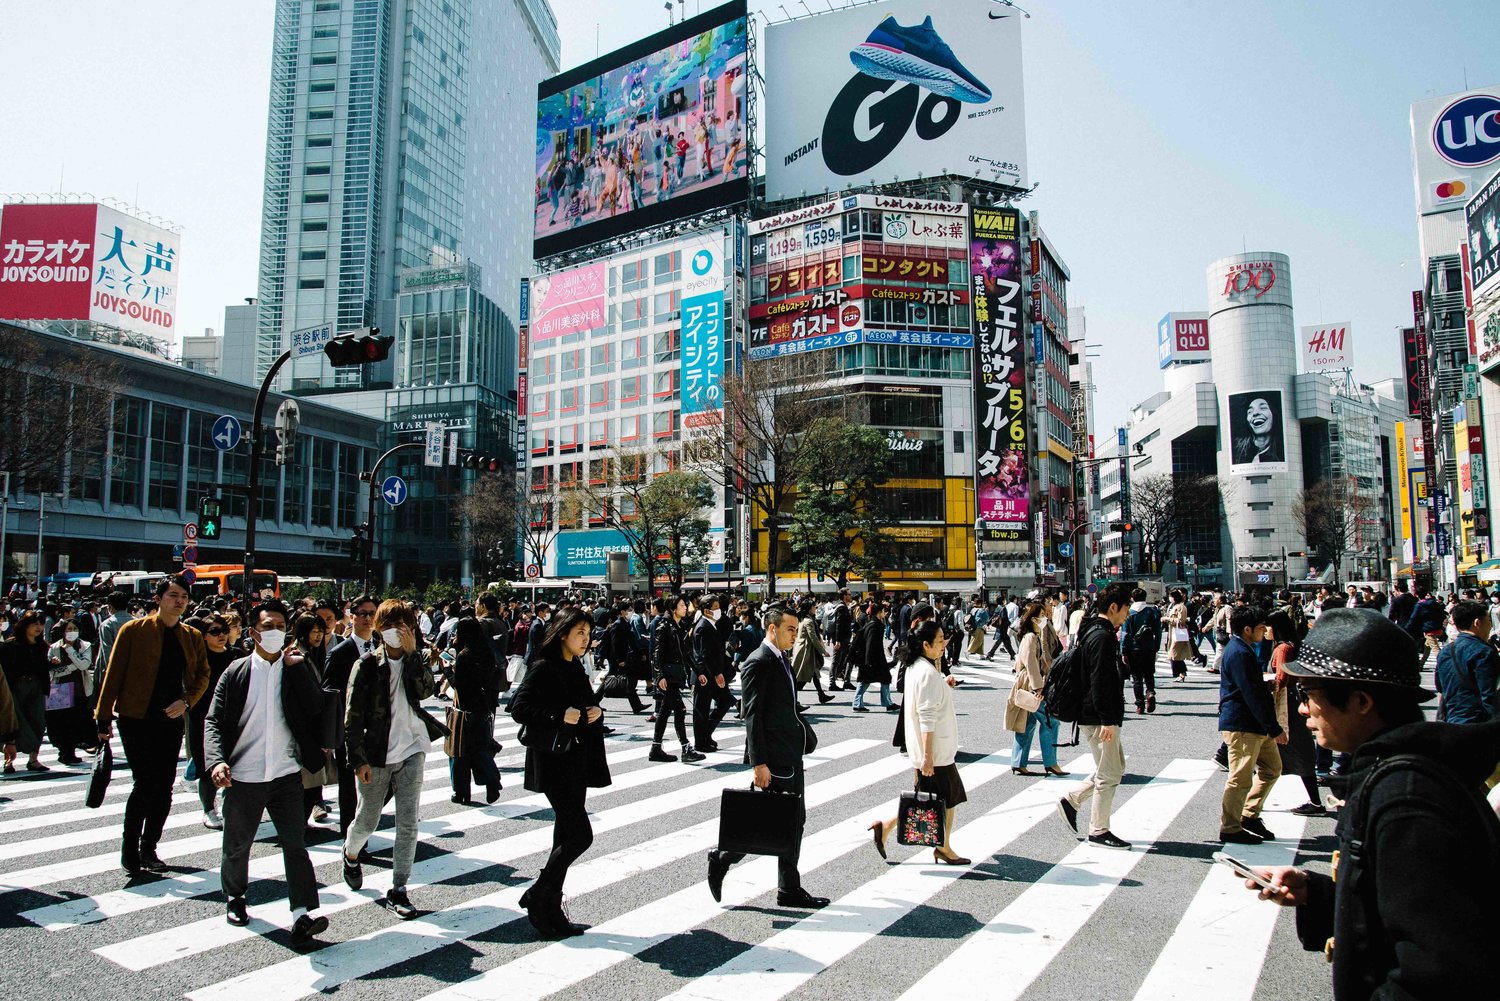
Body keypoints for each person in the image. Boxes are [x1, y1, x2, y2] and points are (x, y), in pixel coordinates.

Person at [1243, 607, 1500, 999]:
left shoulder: (1407, 801)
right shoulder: (1398, 776)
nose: (1301, 708)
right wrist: (1321, 894)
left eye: (1308, 693)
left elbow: (1437, 973)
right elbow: (1392, 911)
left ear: (1361, 701)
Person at [205, 599, 331, 944]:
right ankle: (235, 896)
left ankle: (302, 913)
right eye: (267, 626)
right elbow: (213, 720)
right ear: (252, 633)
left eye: (279, 626)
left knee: (295, 844)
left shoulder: (296, 668)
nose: (274, 632)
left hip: (286, 773)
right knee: (238, 843)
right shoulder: (236, 672)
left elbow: (316, 706)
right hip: (244, 775)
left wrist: (298, 669)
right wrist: (216, 760)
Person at [707, 605, 829, 909]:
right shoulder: (758, 662)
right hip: (773, 756)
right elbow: (752, 716)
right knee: (775, 820)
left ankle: (787, 888)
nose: (795, 635)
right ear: (772, 629)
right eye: (790, 629)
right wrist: (758, 763)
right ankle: (725, 858)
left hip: (789, 751)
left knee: (790, 819)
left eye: (796, 629)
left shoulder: (781, 658)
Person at [94, 576, 210, 874]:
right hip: (135, 717)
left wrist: (186, 701)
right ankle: (129, 846)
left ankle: (150, 846)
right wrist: (102, 716)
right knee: (144, 784)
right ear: (158, 599)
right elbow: (114, 673)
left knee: (164, 787)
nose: (180, 601)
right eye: (173, 595)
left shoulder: (191, 635)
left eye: (184, 596)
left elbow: (202, 675)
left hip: (170, 717)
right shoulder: (133, 630)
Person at [341, 600, 448, 921]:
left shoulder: (415, 660)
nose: (396, 632)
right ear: (377, 628)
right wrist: (357, 760)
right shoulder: (366, 665)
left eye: (403, 626)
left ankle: (399, 889)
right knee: (368, 819)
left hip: (413, 747)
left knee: (408, 821)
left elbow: (426, 690)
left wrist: (415, 655)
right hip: (376, 753)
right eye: (389, 626)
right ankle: (350, 853)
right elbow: (351, 717)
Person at [508, 606, 611, 937]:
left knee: (564, 836)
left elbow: (584, 705)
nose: (586, 639)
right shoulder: (544, 667)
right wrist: (557, 715)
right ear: (562, 633)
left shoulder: (575, 667)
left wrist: (594, 711)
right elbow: (519, 708)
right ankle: (539, 894)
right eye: (579, 633)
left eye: (588, 633)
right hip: (554, 762)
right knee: (581, 835)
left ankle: (551, 907)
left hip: (575, 760)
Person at [868, 619, 968, 863]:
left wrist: (944, 684)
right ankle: (943, 847)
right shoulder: (925, 672)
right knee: (946, 798)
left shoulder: (918, 667)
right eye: (940, 640)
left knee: (928, 799)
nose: (945, 643)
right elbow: (926, 716)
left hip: (932, 750)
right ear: (925, 644)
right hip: (934, 752)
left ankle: (887, 826)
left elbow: (927, 701)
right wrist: (927, 757)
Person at [1057, 583, 1133, 850]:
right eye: (1126, 609)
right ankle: (1099, 830)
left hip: (1091, 712)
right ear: (1113, 607)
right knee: (1109, 774)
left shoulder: (1091, 630)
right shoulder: (1101, 636)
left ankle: (1073, 799)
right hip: (1098, 715)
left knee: (1114, 767)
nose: (1127, 615)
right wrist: (1107, 719)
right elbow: (1100, 680)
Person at [1217, 604, 1284, 845]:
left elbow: (1251, 688)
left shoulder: (1242, 649)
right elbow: (1250, 693)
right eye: (1261, 627)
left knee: (1272, 768)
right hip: (1242, 722)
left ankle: (1249, 814)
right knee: (1240, 778)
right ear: (1247, 629)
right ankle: (1230, 827)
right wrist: (1275, 728)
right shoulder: (1239, 652)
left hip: (1254, 722)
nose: (1265, 631)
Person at [322, 594, 379, 839]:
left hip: (377, 727)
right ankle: (351, 836)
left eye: (372, 614)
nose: (368, 618)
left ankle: (363, 829)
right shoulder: (340, 652)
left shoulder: (381, 647)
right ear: (351, 616)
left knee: (376, 782)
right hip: (350, 727)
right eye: (363, 613)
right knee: (349, 785)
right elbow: (329, 693)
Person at [1265, 610, 1324, 817]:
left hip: (1286, 705)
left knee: (1285, 750)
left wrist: (1263, 680)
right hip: (1292, 702)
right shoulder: (1291, 644)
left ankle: (1316, 803)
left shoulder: (1282, 648)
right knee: (1293, 752)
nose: (1264, 631)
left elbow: (1281, 679)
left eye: (1267, 627)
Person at [187, 614, 240, 829]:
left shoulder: (236, 656)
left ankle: (231, 807)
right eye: (215, 632)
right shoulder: (198, 659)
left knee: (234, 763)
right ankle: (208, 808)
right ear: (204, 636)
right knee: (207, 765)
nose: (221, 635)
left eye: (224, 631)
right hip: (202, 717)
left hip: (233, 717)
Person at [447, 616, 504, 806]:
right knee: (479, 747)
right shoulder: (486, 651)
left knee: (458, 752)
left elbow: (459, 686)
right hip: (484, 706)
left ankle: (461, 792)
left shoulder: (464, 656)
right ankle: (491, 779)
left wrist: (447, 670)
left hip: (464, 709)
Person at [1007, 601, 1063, 776]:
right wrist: (1037, 687)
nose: (1045, 618)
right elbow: (1030, 662)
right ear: (1033, 619)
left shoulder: (1031, 636)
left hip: (1026, 683)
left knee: (1027, 722)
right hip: (1031, 684)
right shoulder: (1031, 637)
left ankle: (1018, 762)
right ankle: (1051, 762)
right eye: (1042, 615)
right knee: (1051, 720)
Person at [648, 594, 704, 763]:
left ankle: (656, 748)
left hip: (675, 675)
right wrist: (659, 676)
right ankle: (686, 748)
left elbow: (686, 653)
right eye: (681, 605)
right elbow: (656, 653)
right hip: (669, 676)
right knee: (680, 710)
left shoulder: (679, 627)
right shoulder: (664, 626)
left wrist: (698, 671)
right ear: (673, 608)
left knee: (665, 712)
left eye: (685, 605)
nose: (685, 608)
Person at [1, 611, 52, 772]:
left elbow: (42, 668)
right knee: (15, 721)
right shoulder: (10, 645)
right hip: (15, 687)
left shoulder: (42, 646)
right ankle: (9, 760)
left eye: (40, 624)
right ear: (25, 626)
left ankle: (33, 759)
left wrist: (51, 664)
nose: (38, 628)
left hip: (36, 687)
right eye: (34, 624)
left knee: (37, 720)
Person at [1435, 599, 1500, 724]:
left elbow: (1440, 687)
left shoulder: (1445, 651)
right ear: (1477, 623)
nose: (1490, 625)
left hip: (1452, 722)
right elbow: (1488, 695)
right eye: (1488, 621)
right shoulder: (1484, 652)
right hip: (1477, 724)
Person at [691, 596, 735, 753]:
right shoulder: (703, 627)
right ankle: (700, 742)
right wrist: (717, 674)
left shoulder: (711, 625)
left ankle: (706, 734)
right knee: (701, 709)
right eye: (715, 608)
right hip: (705, 675)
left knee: (724, 702)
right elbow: (705, 654)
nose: (719, 611)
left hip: (713, 674)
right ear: (707, 610)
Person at [1121, 588, 1162, 714]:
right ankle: (1150, 692)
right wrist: (1156, 646)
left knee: (1137, 677)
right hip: (1149, 647)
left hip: (1133, 648)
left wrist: (1123, 650)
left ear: (1132, 598)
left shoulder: (1129, 613)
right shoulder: (1152, 611)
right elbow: (1158, 631)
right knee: (1149, 673)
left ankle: (1140, 704)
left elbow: (1125, 633)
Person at [851, 603, 897, 712]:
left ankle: (857, 704)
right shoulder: (876, 625)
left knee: (865, 680)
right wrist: (870, 660)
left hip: (868, 658)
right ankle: (887, 703)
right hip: (874, 658)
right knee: (884, 679)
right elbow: (871, 643)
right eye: (884, 611)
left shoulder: (870, 623)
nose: (885, 614)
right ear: (880, 612)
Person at [791, 598, 835, 705]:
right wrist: (823, 651)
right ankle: (790, 699)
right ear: (810, 608)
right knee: (798, 676)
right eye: (814, 606)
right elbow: (813, 637)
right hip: (805, 651)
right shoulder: (808, 620)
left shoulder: (803, 619)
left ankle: (821, 695)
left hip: (804, 650)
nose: (815, 608)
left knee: (814, 672)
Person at [1231, 395, 1284, 464]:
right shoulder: (1237, 449)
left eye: (1263, 408)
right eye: (1250, 411)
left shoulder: (1282, 449)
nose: (1255, 413)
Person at [1164, 591, 1193, 681]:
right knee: (1175, 654)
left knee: (1174, 653)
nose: (1170, 598)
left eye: (1171, 596)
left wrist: (1167, 619)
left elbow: (1181, 620)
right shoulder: (1173, 606)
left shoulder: (1181, 607)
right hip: (1172, 632)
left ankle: (1181, 673)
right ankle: (1181, 674)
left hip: (1177, 632)